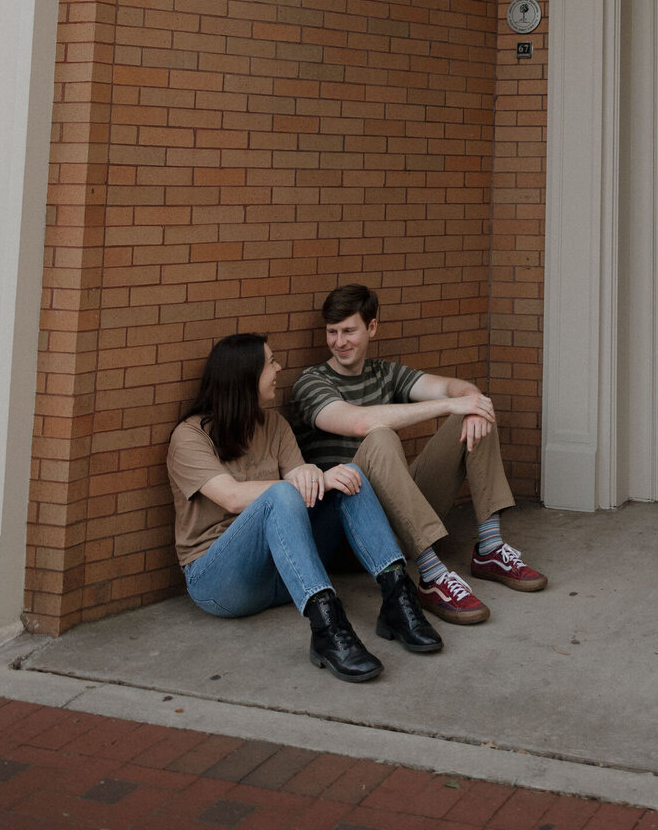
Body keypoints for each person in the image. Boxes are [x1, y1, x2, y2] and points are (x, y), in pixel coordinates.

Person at [166, 331, 443, 683]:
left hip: (283, 571)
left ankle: (398, 599)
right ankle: (328, 629)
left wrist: (322, 476)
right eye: (270, 363)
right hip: (219, 581)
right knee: (282, 494)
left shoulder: (275, 424)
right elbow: (231, 497)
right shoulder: (190, 436)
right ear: (246, 375)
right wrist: (304, 482)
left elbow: (304, 480)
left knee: (349, 477)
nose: (279, 368)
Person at [290, 284, 547, 625]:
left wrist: (469, 404)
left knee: (475, 411)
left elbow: (454, 389)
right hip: (349, 530)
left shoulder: (385, 373)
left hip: (399, 513)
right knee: (380, 436)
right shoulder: (311, 382)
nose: (339, 342)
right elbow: (360, 422)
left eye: (349, 331)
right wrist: (450, 403)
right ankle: (431, 575)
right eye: (332, 332)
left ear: (372, 328)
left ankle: (490, 548)